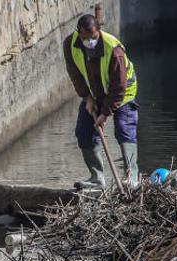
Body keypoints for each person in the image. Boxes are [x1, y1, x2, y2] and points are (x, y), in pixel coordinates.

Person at [63, 14, 139, 189]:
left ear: (99, 31)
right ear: (78, 34)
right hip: (95, 93)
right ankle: (97, 178)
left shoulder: (114, 50)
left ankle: (132, 178)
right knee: (83, 132)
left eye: (94, 38)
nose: (90, 41)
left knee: (124, 130)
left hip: (123, 92)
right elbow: (75, 74)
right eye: (85, 38)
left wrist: (105, 114)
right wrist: (87, 98)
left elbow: (119, 88)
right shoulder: (70, 44)